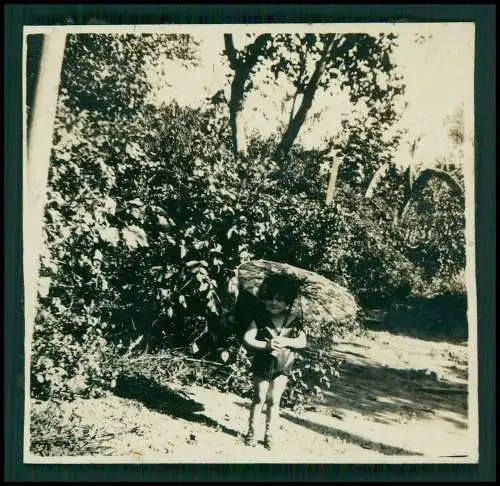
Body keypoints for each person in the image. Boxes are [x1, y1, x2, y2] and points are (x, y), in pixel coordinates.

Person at [241, 273, 307, 450]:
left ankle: (270, 434)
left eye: (280, 299)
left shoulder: (294, 321)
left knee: (274, 399)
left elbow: (302, 342)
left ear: (288, 302)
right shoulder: (260, 317)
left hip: (284, 364)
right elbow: (248, 338)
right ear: (264, 298)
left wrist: (287, 341)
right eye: (270, 298)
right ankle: (252, 432)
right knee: (259, 397)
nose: (274, 303)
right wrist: (266, 344)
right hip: (263, 361)